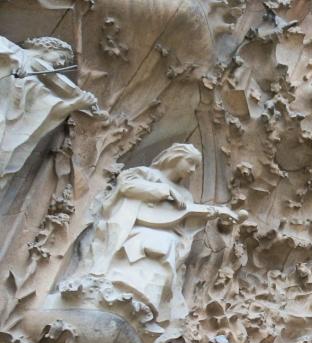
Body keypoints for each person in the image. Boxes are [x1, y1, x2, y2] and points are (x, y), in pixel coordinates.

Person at [81, 143, 237, 323]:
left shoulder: (185, 195)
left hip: (169, 238)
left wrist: (210, 214)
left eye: (196, 166)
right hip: (134, 228)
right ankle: (120, 286)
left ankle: (145, 301)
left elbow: (181, 221)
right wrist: (163, 190)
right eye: (190, 162)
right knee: (151, 242)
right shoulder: (146, 174)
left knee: (167, 245)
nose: (193, 170)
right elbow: (126, 186)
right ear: (175, 158)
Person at [0, 36, 98, 190]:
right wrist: (11, 62)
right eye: (61, 56)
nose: (61, 63)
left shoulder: (36, 82)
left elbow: (46, 107)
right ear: (47, 47)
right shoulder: (9, 48)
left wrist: (75, 103)